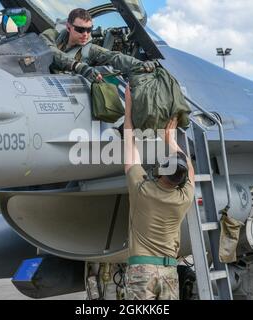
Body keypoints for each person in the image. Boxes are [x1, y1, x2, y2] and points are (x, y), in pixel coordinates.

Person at [123, 85, 195, 300]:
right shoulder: (184, 198)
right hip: (169, 272)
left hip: (141, 272)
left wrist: (129, 109)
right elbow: (189, 168)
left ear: (160, 171)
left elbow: (129, 144)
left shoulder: (142, 189)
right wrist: (171, 140)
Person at [42, 8, 156, 77]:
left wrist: (139, 64)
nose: (85, 34)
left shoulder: (90, 50)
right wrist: (76, 65)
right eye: (80, 29)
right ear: (68, 27)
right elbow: (47, 48)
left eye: (89, 30)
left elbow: (114, 57)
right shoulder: (52, 34)